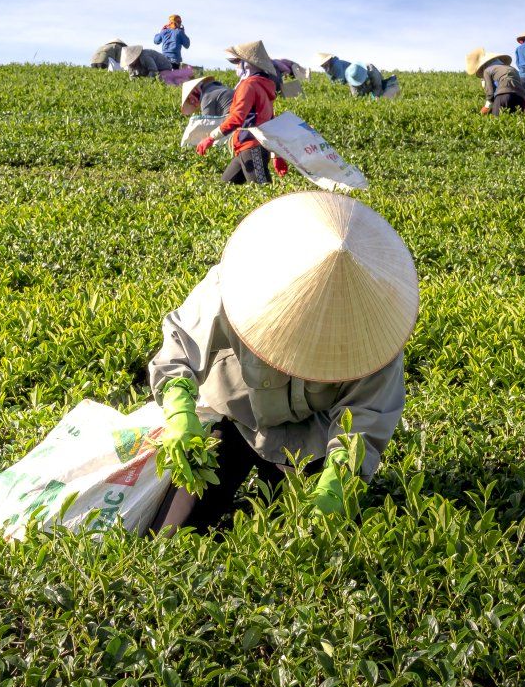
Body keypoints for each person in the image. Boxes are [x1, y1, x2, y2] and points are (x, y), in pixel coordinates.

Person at [147, 191, 417, 531]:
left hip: (311, 438)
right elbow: (181, 345)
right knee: (172, 533)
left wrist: (337, 481)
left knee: (312, 541)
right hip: (236, 418)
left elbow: (364, 421)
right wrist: (179, 410)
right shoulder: (236, 283)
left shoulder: (377, 335)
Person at [198, 40, 285, 184]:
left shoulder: (248, 85)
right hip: (245, 148)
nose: (237, 66)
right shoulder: (263, 85)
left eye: (239, 62)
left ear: (248, 64)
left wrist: (211, 138)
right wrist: (276, 155)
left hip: (252, 146)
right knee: (225, 186)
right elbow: (270, 122)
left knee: (263, 192)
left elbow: (237, 118)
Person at [468, 48, 525, 114]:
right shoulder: (512, 68)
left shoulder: (487, 70)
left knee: (497, 120)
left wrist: (486, 107)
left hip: (504, 95)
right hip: (521, 97)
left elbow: (490, 93)